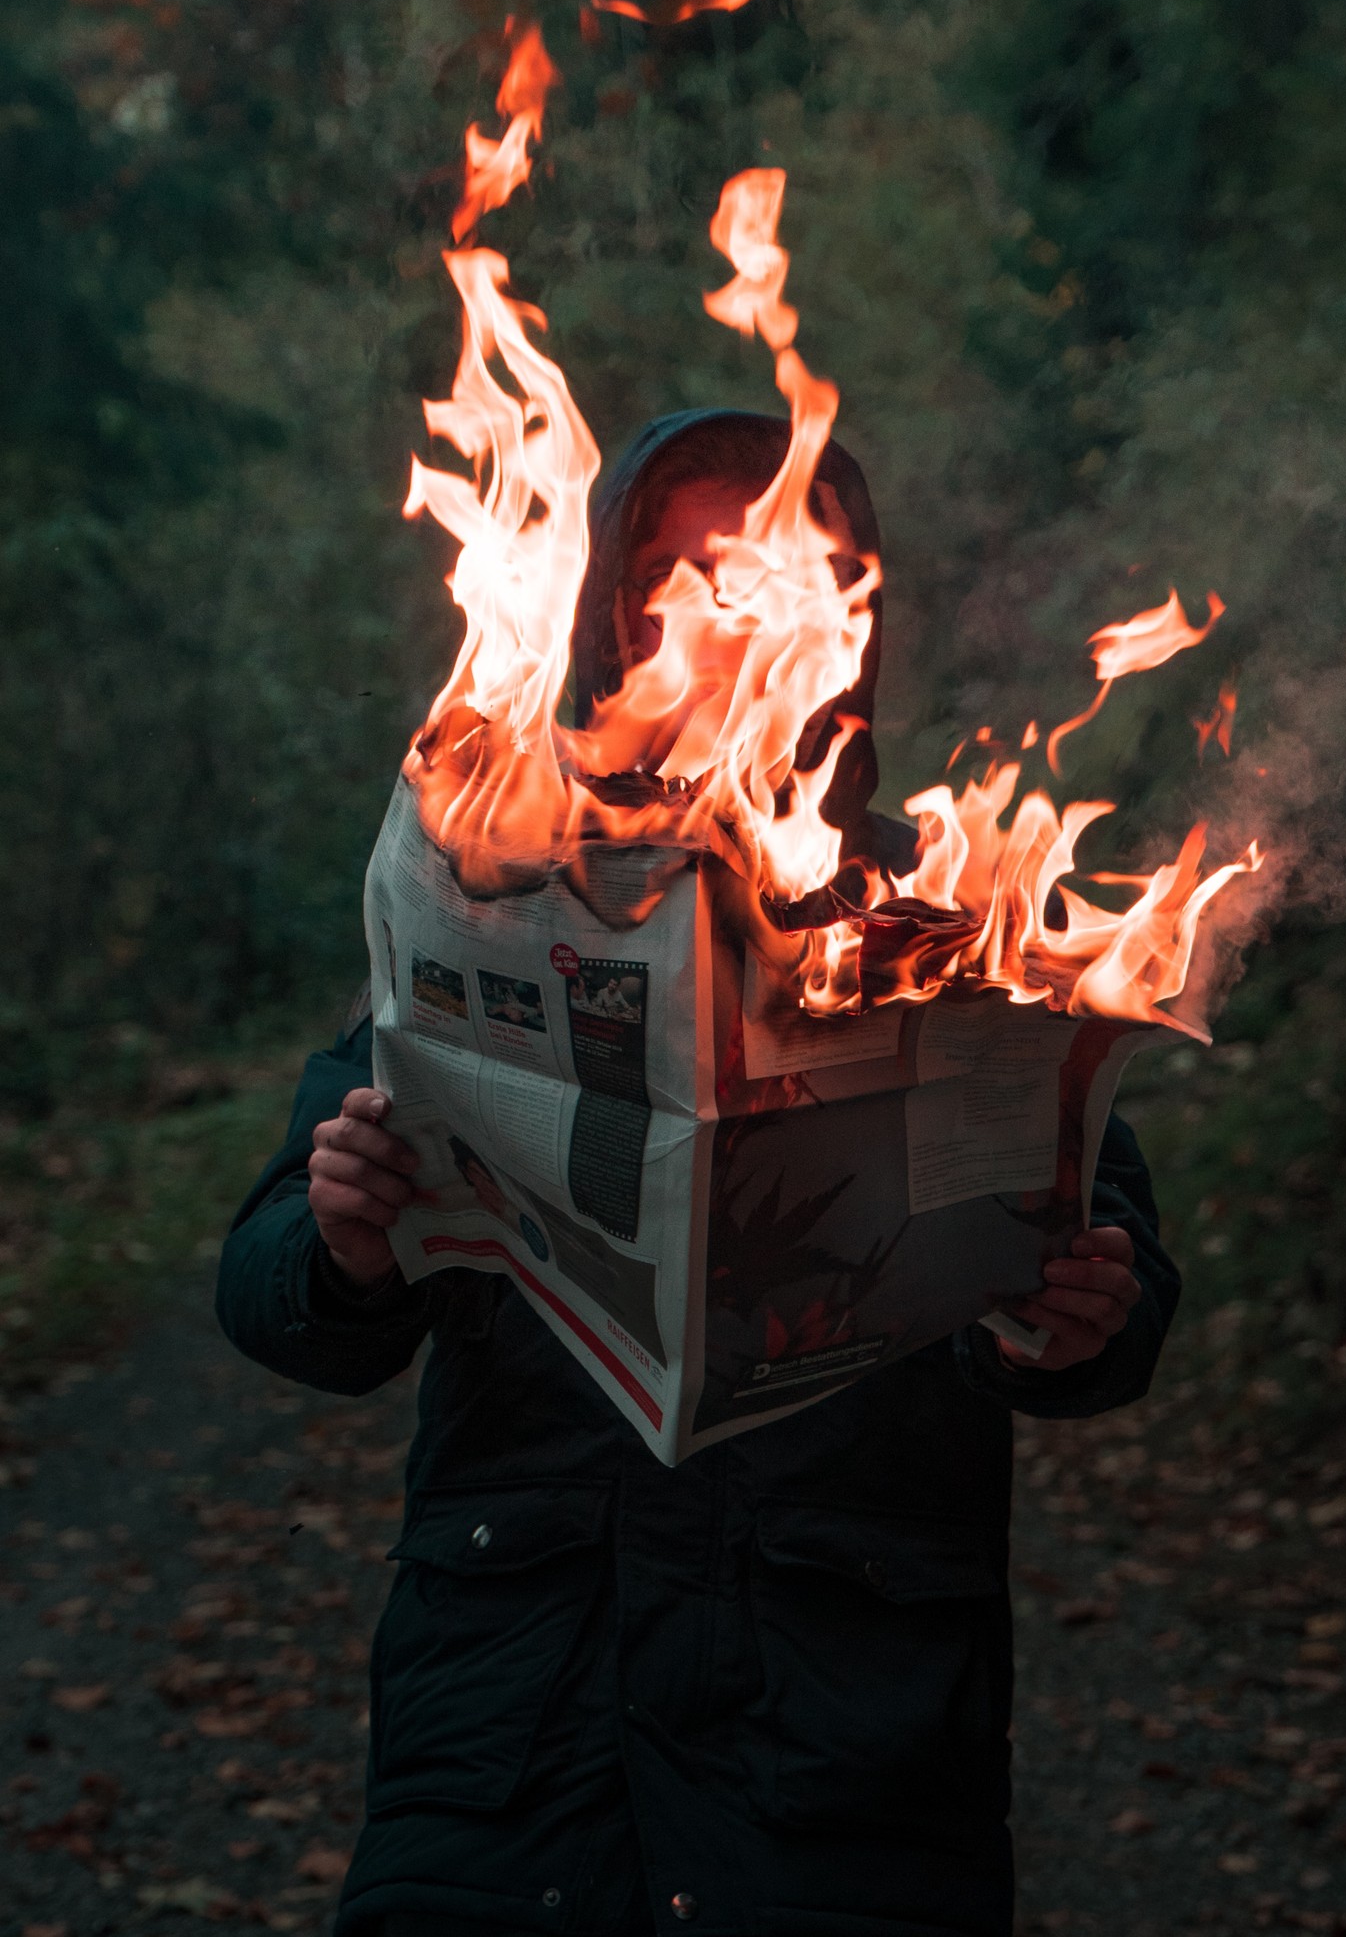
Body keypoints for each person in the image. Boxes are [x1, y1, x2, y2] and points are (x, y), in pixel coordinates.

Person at [217, 410, 1180, 1937]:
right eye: (671, 577)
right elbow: (267, 1290)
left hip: (847, 1756)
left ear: (844, 614)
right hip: (518, 1748)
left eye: (761, 575)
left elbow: (1107, 1275)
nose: (711, 622)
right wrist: (336, 1241)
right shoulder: (493, 885)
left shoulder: (947, 919)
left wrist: (1079, 1314)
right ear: (608, 613)